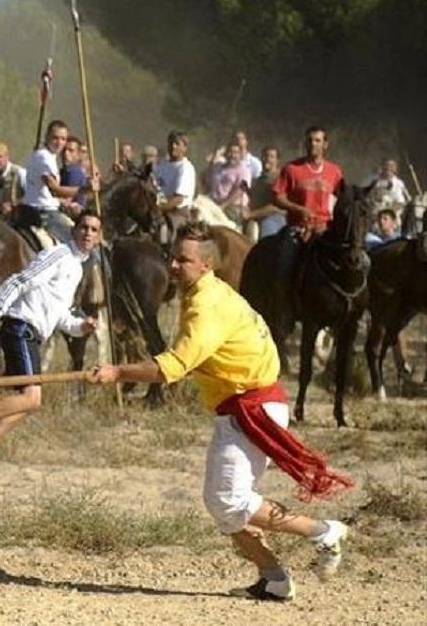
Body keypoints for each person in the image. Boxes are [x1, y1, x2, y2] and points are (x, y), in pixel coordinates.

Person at [91, 221, 351, 602]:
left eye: (183, 259)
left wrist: (117, 371)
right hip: (242, 407)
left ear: (207, 265)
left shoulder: (206, 307)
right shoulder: (205, 292)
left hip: (252, 408)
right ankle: (274, 578)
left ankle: (324, 531)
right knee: (225, 506)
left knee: (228, 501)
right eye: (173, 257)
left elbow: (171, 369)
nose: (174, 265)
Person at [0, 211, 101, 464]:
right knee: (30, 397)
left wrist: (81, 326)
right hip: (20, 327)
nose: (88, 233)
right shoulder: (59, 255)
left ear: (98, 237)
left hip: (33, 333)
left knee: (29, 402)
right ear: (74, 230)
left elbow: (60, 315)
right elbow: (20, 280)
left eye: (94, 230)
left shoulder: (77, 269)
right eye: (84, 227)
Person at [245, 147, 286, 239]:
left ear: (277, 160)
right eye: (265, 156)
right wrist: (246, 191)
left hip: (274, 219)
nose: (267, 159)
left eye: (271, 157)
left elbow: (275, 206)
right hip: (258, 217)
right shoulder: (261, 179)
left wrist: (250, 214)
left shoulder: (279, 179)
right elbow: (258, 199)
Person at [207, 142, 252, 225]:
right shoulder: (217, 166)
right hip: (214, 203)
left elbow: (240, 190)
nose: (232, 155)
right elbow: (205, 176)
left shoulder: (243, 170)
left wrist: (223, 206)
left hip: (233, 206)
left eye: (236, 153)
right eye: (230, 152)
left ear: (240, 155)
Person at [155, 131, 196, 213]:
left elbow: (178, 199)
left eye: (177, 144)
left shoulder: (185, 168)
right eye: (170, 143)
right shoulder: (162, 165)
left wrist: (157, 208)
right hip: (159, 206)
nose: (173, 146)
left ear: (184, 147)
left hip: (177, 213)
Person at [0, 142, 25, 216]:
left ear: (7, 157)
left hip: (19, 217)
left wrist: (14, 204)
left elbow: (32, 195)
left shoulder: (19, 173)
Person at [60, 136, 91, 209]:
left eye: (71, 150)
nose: (66, 153)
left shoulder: (74, 172)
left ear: (78, 154)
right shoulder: (63, 171)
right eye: (64, 150)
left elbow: (67, 199)